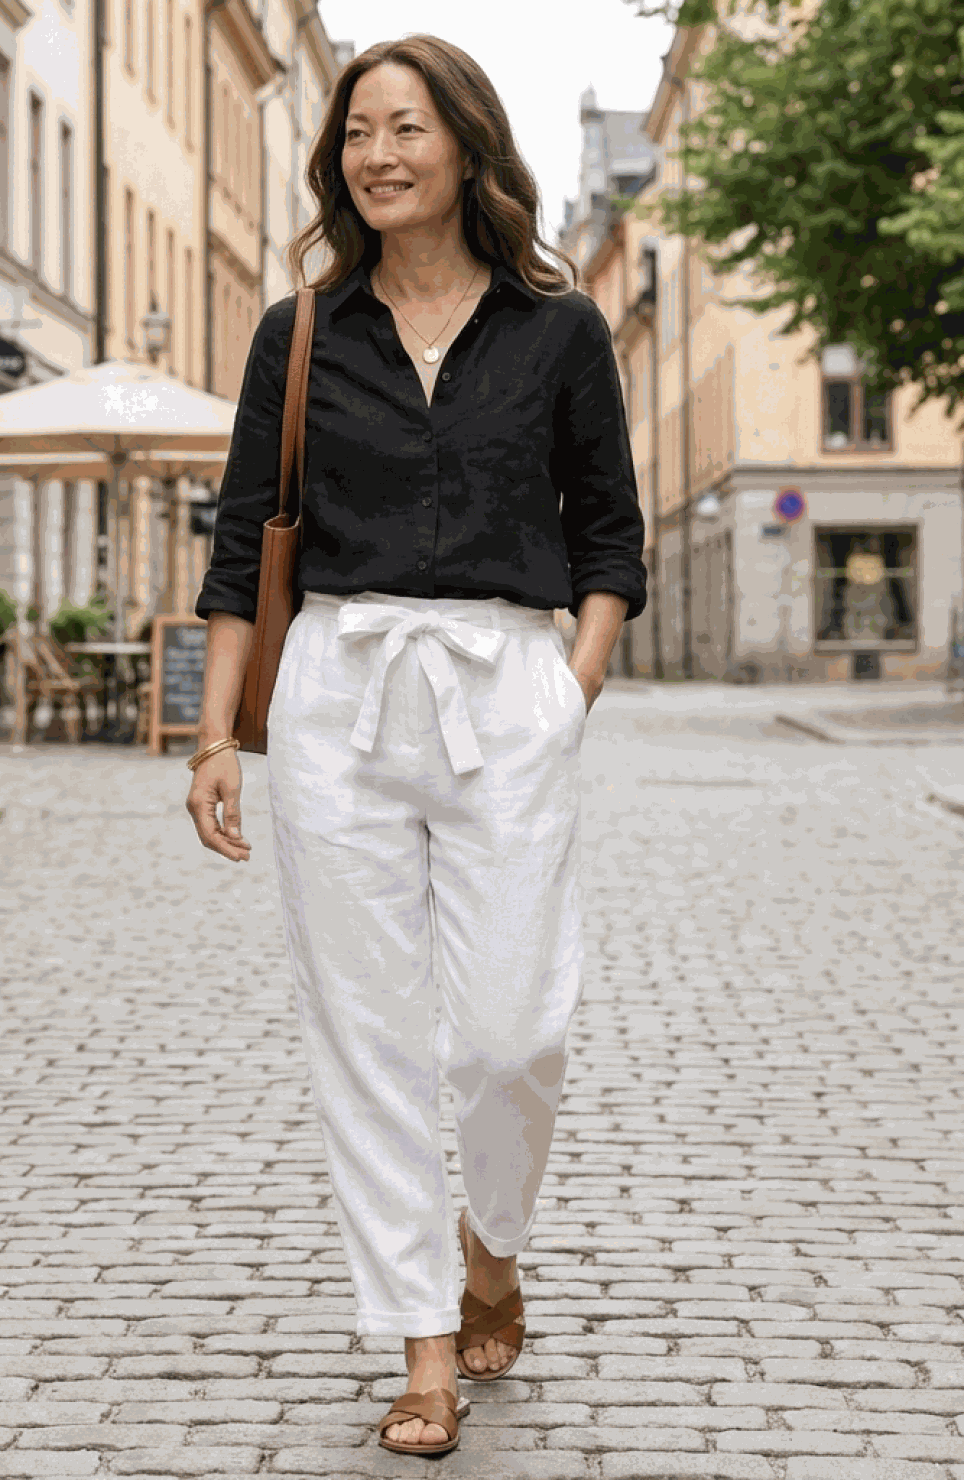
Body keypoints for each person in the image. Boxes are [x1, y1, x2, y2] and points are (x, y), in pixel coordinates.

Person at [187, 34, 646, 1457]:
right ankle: (423, 1345)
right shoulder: (302, 330)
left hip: (504, 685)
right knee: (367, 1037)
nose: (376, 154)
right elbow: (237, 536)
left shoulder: (558, 330)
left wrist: (566, 689)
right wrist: (215, 729)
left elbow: (609, 537)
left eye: (404, 127)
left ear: (462, 143)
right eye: (356, 131)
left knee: (517, 1029)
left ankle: (489, 1245)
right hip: (339, 690)